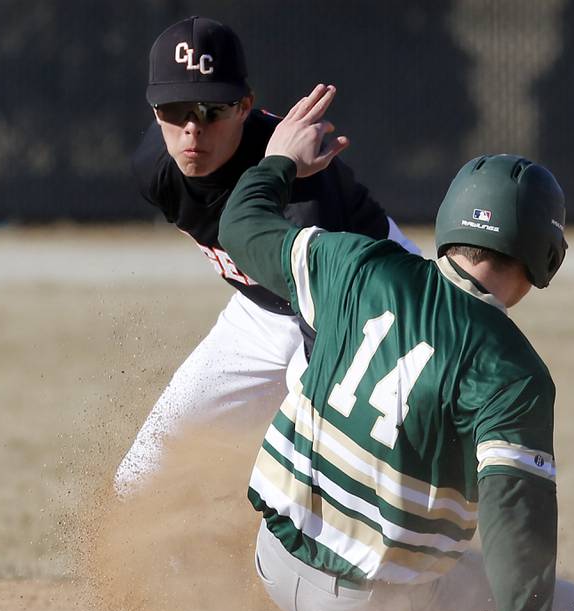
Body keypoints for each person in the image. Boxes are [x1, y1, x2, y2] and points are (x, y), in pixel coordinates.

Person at [219, 84, 574, 611]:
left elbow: (241, 227)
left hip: (272, 553)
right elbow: (516, 510)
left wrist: (280, 163)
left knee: (461, 571)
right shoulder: (511, 370)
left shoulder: (354, 263)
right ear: (544, 253)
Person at [115, 17, 417, 496]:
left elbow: (329, 320)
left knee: (321, 481)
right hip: (263, 309)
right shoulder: (154, 168)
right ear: (154, 112)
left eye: (212, 109)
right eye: (175, 109)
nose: (192, 129)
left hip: (369, 303)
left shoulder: (304, 186)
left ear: (245, 106)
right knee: (142, 473)